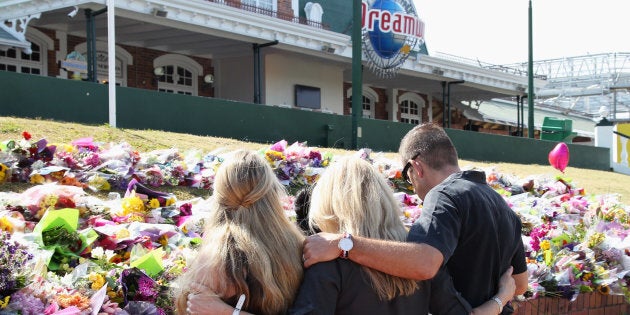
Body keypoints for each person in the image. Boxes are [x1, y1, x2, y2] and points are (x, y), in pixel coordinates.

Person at [302, 123, 528, 314]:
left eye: (408, 179)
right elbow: (520, 284)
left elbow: (425, 264)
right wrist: (500, 298)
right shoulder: (500, 204)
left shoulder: (442, 195)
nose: (415, 191)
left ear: (416, 168)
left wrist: (343, 244)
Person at [174, 150, 305, 315]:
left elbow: (192, 309)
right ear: (271, 194)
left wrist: (226, 312)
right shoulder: (298, 244)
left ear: (220, 194)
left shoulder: (216, 258)